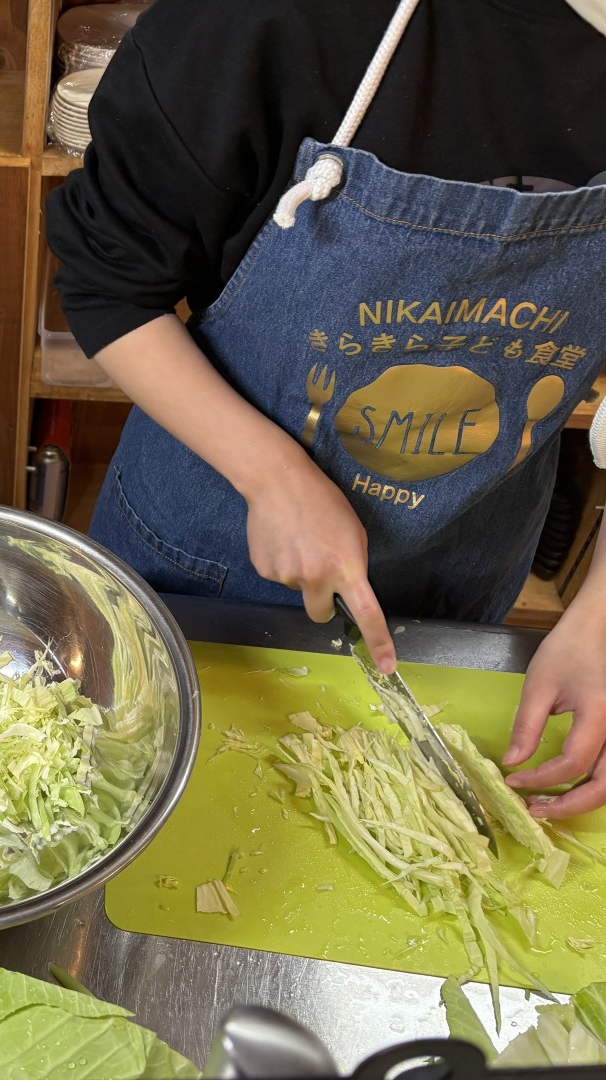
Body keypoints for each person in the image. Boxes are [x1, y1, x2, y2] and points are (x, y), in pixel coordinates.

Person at [47, 0, 606, 817]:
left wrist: (598, 620)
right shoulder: (269, 21)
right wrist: (272, 474)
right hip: (210, 550)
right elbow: (108, 283)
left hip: (463, 562)